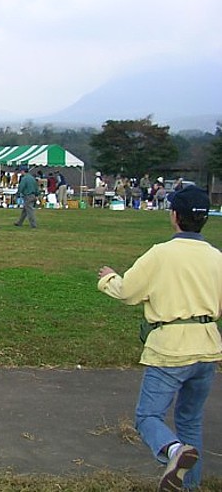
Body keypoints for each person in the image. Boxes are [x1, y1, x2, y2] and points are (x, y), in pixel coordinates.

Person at [97, 185, 222, 491]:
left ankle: (173, 451)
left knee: (148, 416)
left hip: (170, 348)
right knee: (190, 419)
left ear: (174, 216)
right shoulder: (216, 257)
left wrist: (108, 278)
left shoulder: (161, 254)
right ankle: (188, 484)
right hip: (207, 347)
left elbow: (128, 291)